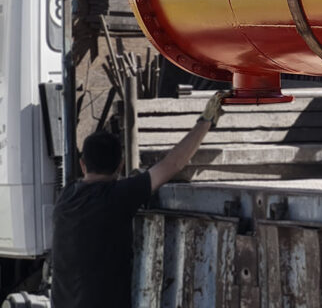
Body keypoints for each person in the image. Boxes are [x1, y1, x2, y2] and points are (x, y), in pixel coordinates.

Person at [49, 91, 229, 308]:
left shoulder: (65, 198)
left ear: (82, 165)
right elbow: (172, 165)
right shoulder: (117, 197)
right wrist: (205, 121)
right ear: (121, 165)